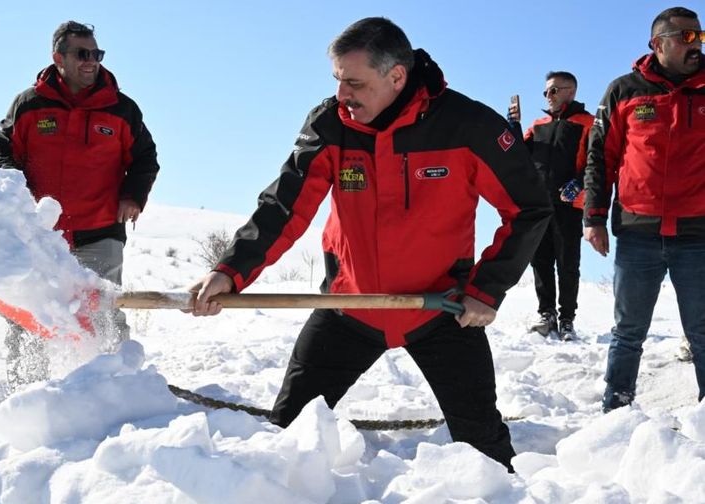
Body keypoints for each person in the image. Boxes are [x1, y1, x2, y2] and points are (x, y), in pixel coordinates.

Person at [189, 17, 552, 472]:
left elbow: (529, 209)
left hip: (443, 310)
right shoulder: (330, 123)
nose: (343, 95)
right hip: (349, 306)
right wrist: (231, 269)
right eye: (338, 80)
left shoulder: (469, 126)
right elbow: (285, 205)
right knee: (288, 435)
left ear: (396, 76)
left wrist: (486, 289)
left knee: (485, 451)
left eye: (354, 83)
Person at [0, 21, 160, 388]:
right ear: (58, 58)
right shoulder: (29, 104)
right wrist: (12, 191)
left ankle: (117, 387)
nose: (91, 61)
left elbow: (146, 156)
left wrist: (134, 195)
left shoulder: (122, 108)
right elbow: (3, 152)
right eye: (82, 54)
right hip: (40, 233)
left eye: (96, 54)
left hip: (100, 230)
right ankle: (26, 392)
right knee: (28, 316)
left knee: (103, 314)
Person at [584, 6, 705, 412]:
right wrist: (593, 217)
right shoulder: (624, 91)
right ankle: (616, 412)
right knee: (628, 331)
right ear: (658, 44)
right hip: (638, 231)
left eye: (700, 36)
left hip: (698, 233)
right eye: (687, 37)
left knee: (703, 330)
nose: (697, 44)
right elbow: (600, 157)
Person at [508, 72, 594, 340]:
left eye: (554, 90)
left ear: (571, 91)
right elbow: (517, 155)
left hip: (568, 205)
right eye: (546, 92)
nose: (548, 96)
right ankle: (547, 314)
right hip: (538, 205)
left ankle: (567, 318)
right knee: (540, 261)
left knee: (568, 262)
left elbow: (596, 161)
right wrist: (513, 125)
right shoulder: (538, 125)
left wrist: (579, 183)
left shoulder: (588, 123)